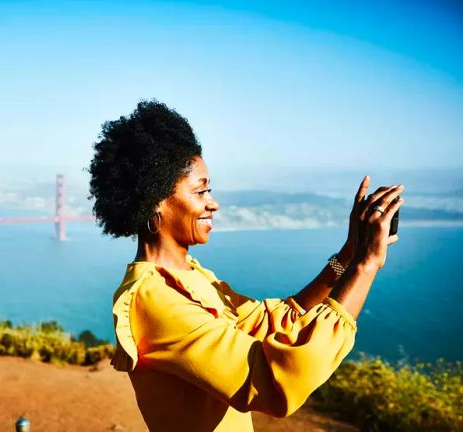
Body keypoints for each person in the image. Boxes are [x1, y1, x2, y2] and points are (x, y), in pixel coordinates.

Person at [87, 100, 404, 432]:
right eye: (200, 191)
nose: (213, 203)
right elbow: (275, 383)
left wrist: (349, 255)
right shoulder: (154, 300)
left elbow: (272, 320)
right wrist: (365, 267)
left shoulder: (189, 276)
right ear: (155, 202)